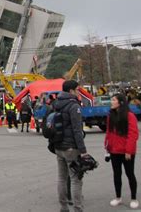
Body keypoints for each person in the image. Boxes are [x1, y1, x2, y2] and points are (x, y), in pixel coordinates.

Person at [53, 80, 88, 212]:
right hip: (71, 148)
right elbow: (77, 130)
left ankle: (63, 207)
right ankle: (78, 208)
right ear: (71, 91)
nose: (78, 92)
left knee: (62, 178)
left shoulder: (57, 103)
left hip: (58, 146)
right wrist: (83, 150)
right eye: (77, 89)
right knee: (75, 179)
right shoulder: (74, 106)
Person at [105, 94, 139, 209]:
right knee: (116, 175)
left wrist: (128, 151)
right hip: (114, 151)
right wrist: (107, 147)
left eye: (113, 100)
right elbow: (109, 133)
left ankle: (134, 198)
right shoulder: (110, 116)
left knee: (130, 174)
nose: (111, 101)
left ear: (121, 102)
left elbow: (133, 135)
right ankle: (118, 197)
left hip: (127, 152)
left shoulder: (130, 116)